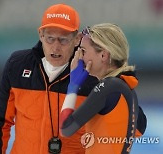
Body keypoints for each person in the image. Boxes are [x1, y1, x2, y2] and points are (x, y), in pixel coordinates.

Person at [0, 4, 98, 154]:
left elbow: (120, 126)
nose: (55, 47)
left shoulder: (92, 74)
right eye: (50, 38)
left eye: (63, 40)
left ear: (77, 39)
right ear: (41, 35)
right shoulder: (18, 64)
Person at [60, 23, 147, 154]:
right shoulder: (126, 88)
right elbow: (139, 129)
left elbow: (66, 128)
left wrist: (73, 85)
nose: (80, 58)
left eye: (83, 51)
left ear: (103, 55)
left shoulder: (108, 87)